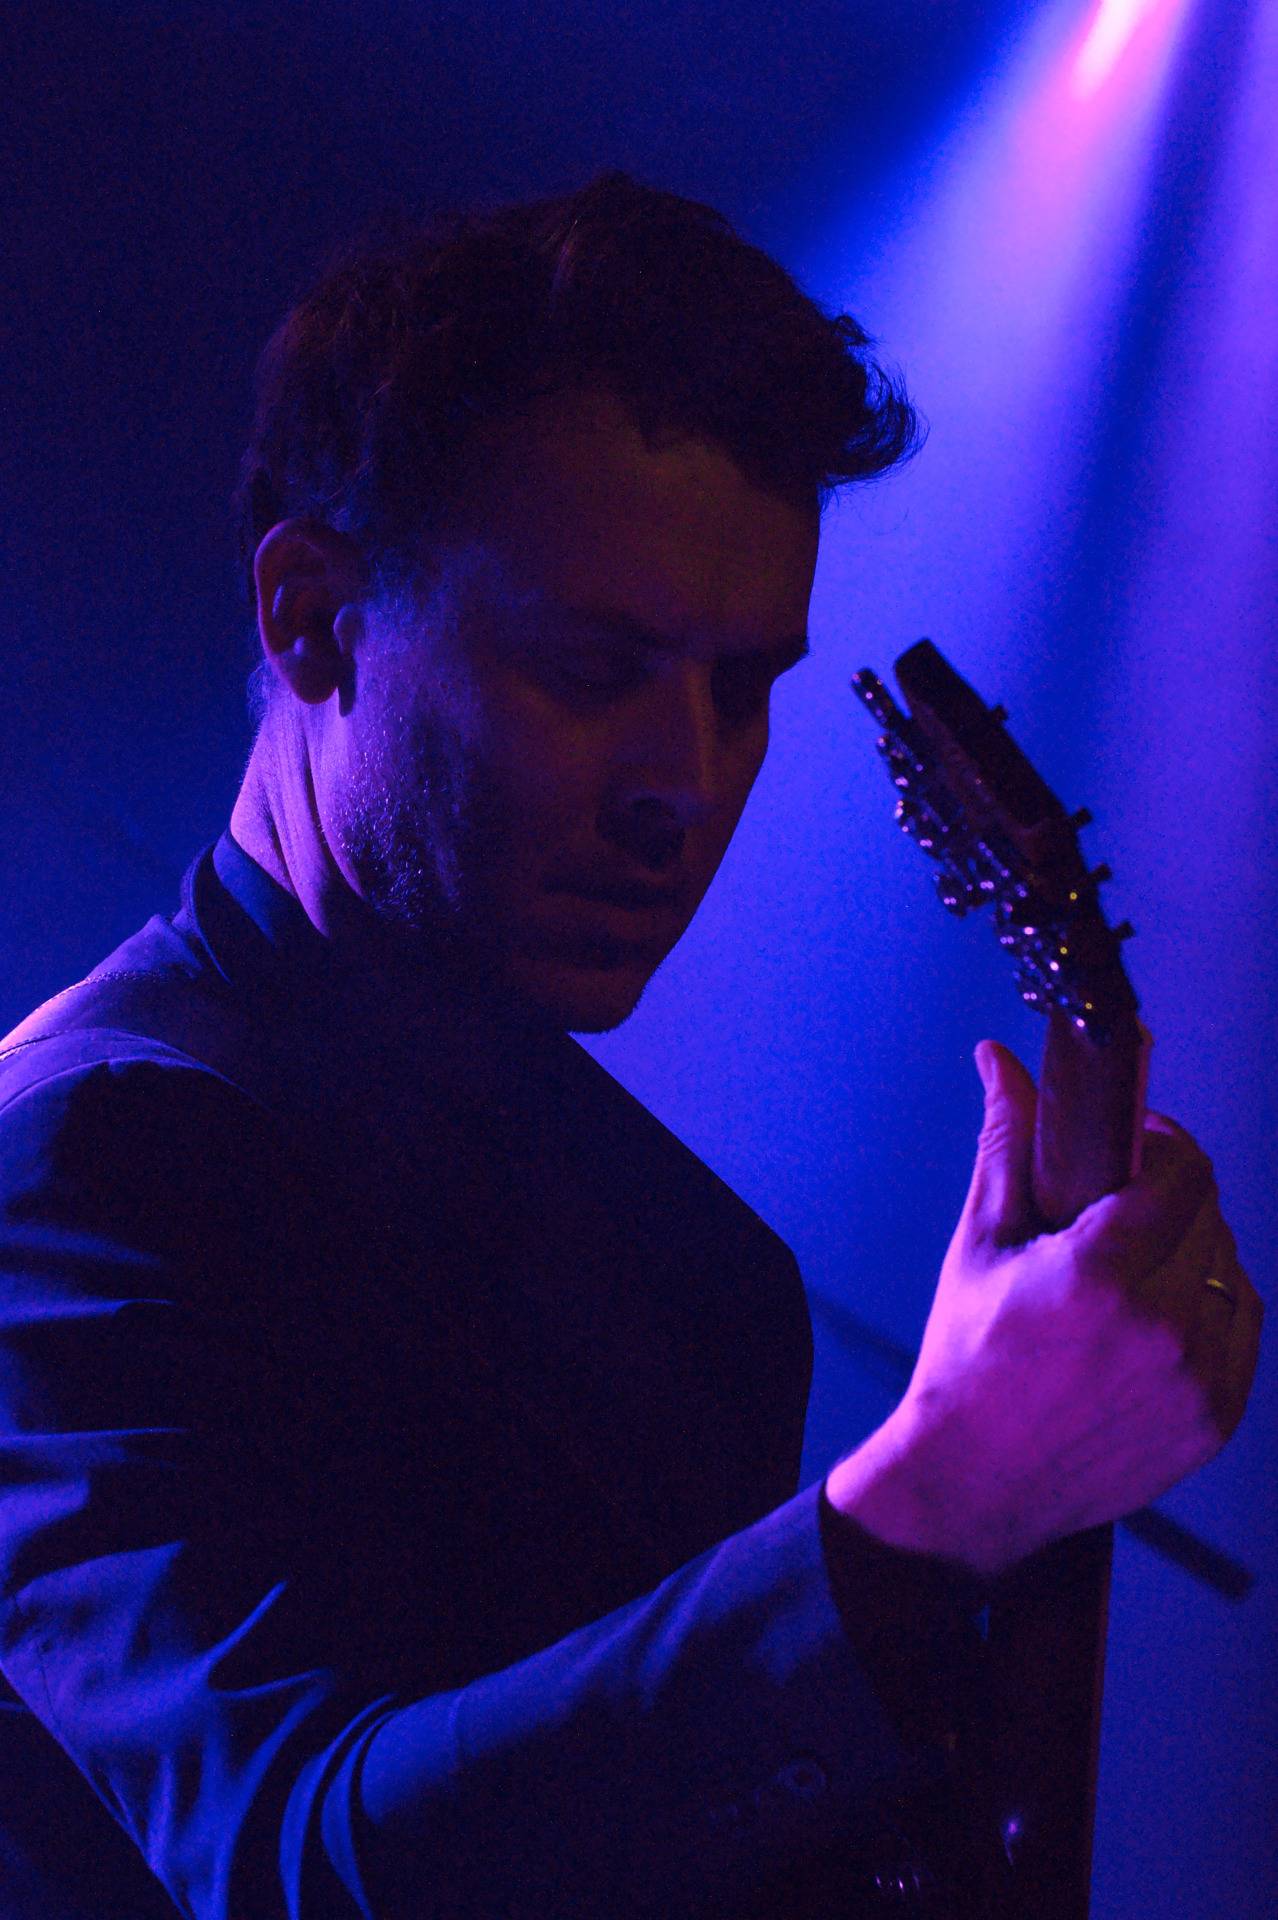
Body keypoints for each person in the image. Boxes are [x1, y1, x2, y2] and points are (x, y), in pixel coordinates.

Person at [0, 173, 1260, 1920]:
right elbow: (294, 1866)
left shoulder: (703, 1275)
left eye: (741, 688)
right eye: (592, 667)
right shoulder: (74, 1166)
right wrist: (935, 1499)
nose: (688, 783)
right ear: (313, 618)